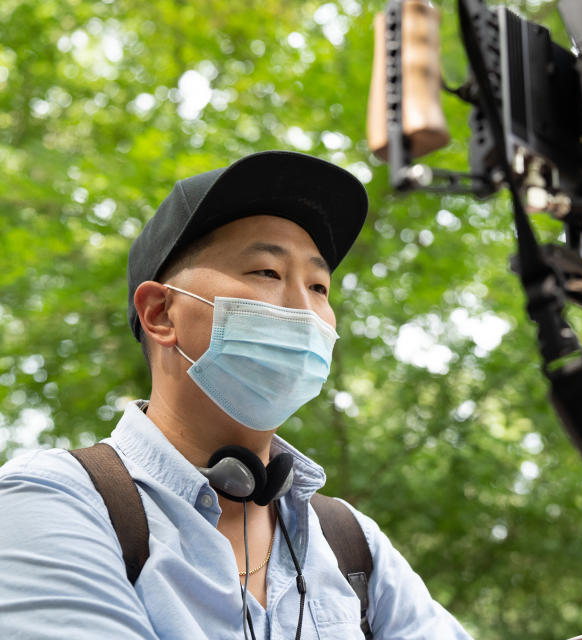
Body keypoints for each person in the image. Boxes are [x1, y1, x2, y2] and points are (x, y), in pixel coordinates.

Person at [0, 150, 474, 639]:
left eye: (319, 287)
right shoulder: (51, 501)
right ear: (161, 313)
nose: (303, 310)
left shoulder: (354, 543)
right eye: (266, 272)